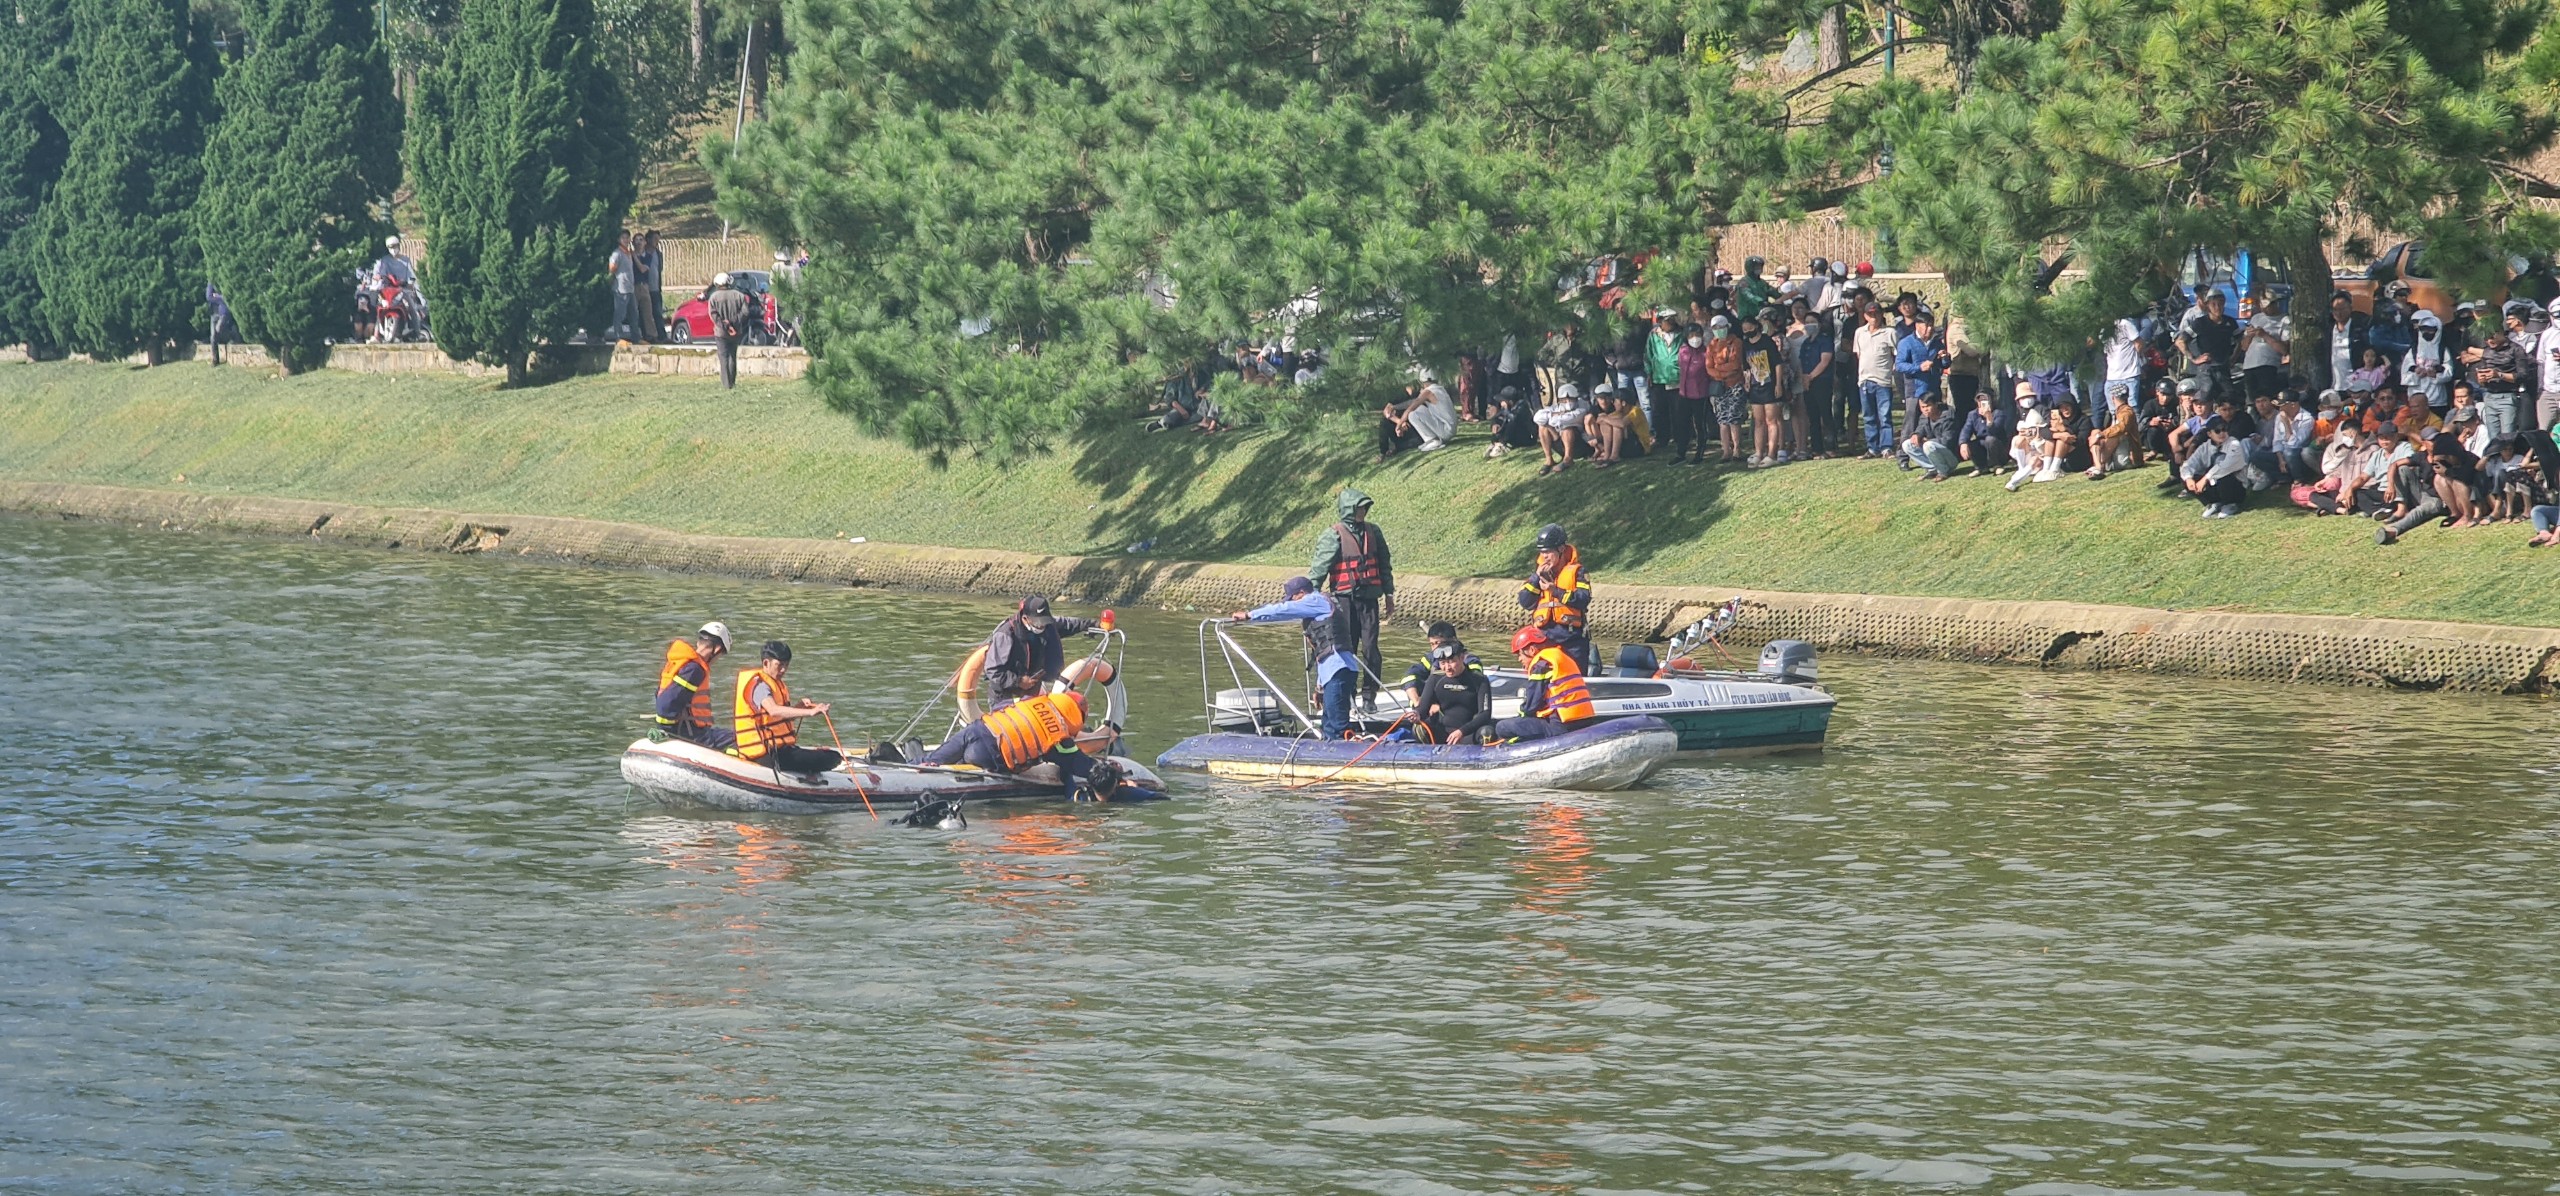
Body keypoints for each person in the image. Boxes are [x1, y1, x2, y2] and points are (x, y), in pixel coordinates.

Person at [1229, 576, 1363, 739]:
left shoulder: (1315, 600)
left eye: (1293, 598)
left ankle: (1344, 752)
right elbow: (1324, 652)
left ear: (1301, 593)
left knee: (1336, 725)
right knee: (1328, 722)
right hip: (1335, 670)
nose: (1294, 603)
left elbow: (1283, 610)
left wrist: (1250, 615)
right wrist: (1319, 687)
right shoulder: (1322, 605)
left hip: (1339, 670)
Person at [1309, 488, 1392, 710]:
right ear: (1348, 510)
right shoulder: (1333, 535)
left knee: (1371, 648)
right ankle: (1347, 695)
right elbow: (1319, 569)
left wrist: (1389, 593)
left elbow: (1384, 564)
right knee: (1346, 648)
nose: (1362, 512)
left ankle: (1369, 696)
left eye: (1364, 508)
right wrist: (1311, 600)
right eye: (1358, 508)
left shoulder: (1374, 532)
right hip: (1343, 601)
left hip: (1369, 600)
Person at [922, 687, 1100, 786]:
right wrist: (1111, 772)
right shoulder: (1060, 738)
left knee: (932, 760)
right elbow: (1083, 766)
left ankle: (917, 763)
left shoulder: (1033, 701)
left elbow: (1003, 707)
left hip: (977, 730)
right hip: (990, 756)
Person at [732, 641, 841, 777]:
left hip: (779, 749)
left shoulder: (775, 684)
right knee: (832, 757)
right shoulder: (759, 685)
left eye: (786, 665)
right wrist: (810, 712)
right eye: (780, 665)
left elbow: (779, 718)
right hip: (766, 756)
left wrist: (798, 707)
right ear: (766, 663)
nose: (783, 670)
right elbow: (773, 710)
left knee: (829, 756)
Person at [983, 595, 1100, 709]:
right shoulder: (1005, 635)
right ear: (1025, 618)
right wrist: (1018, 681)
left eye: (1045, 621)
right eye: (1038, 622)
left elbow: (1069, 624)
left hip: (1032, 689)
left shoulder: (1049, 626)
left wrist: (1094, 624)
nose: (1042, 625)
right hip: (1004, 692)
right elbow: (993, 671)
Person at [1491, 627, 1597, 743]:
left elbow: (1531, 706)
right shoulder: (1560, 656)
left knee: (1502, 727)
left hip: (1561, 727)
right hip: (1586, 720)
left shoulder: (1541, 665)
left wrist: (1520, 715)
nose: (1519, 659)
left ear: (1531, 650)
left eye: (1520, 654)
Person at [1517, 523, 1593, 668]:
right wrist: (1536, 578)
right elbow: (1525, 602)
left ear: (1561, 549)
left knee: (1574, 678)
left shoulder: (1578, 572)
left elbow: (1583, 599)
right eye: (1542, 552)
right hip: (1544, 639)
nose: (1545, 556)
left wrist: (1555, 592)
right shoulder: (1538, 575)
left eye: (1549, 551)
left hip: (1572, 639)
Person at [653, 621, 736, 749]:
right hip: (693, 736)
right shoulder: (695, 669)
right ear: (717, 649)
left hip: (679, 731)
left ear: (699, 642)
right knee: (739, 739)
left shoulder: (681, 662)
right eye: (720, 655)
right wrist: (672, 729)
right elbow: (666, 705)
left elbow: (660, 695)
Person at [1407, 642, 1496, 746]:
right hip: (1443, 734)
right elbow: (1422, 709)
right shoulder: (1435, 679)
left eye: (1451, 662)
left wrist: (1461, 732)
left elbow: (1485, 715)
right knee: (1419, 729)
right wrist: (1416, 714)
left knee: (1487, 733)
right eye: (1443, 663)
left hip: (1468, 734)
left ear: (1462, 658)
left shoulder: (1479, 680)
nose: (1447, 667)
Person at [1852, 303, 1899, 458]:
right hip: (1864, 379)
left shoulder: (1889, 332)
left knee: (1884, 416)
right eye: (1870, 314)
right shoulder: (1860, 332)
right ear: (1865, 316)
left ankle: (1886, 447)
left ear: (1881, 315)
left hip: (1883, 380)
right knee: (1868, 416)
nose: (1874, 317)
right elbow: (1859, 354)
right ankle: (1872, 448)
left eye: (1876, 314)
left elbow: (1896, 354)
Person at [2180, 416, 2250, 518]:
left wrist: (2206, 478)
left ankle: (2230, 504)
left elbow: (2226, 466)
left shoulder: (2234, 443)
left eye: (2224, 429)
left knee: (2220, 461)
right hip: (2214, 485)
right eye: (2217, 431)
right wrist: (2188, 479)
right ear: (2209, 434)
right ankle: (2214, 502)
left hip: (2235, 487)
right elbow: (2189, 464)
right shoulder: (2205, 447)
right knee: (2186, 477)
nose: (2222, 433)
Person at [2179, 289, 2238, 408]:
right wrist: (2194, 359)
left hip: (2223, 368)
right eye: (2214, 304)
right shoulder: (2200, 323)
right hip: (2206, 369)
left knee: (2229, 398)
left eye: (2220, 303)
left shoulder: (2230, 323)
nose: (2218, 307)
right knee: (2205, 398)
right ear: (2208, 306)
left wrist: (2234, 357)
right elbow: (2180, 341)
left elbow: (2241, 340)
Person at [1705, 315, 1746, 462]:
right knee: (1722, 420)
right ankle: (1725, 451)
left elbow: (1735, 364)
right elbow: (1709, 367)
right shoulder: (1711, 345)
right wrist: (1722, 373)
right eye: (1715, 328)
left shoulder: (1736, 342)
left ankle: (1737, 449)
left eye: (1720, 327)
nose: (1718, 330)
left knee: (1734, 418)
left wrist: (1718, 368)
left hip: (1735, 384)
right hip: (1719, 386)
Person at [706, 273, 752, 389]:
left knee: (723, 358)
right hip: (736, 331)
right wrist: (734, 321)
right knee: (732, 356)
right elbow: (745, 312)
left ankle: (726, 384)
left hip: (720, 333)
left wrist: (724, 325)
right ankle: (732, 381)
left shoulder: (714, 297)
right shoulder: (739, 296)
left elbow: (713, 315)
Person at [1532, 381, 1588, 473]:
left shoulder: (1582, 406)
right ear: (1560, 400)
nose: (1568, 402)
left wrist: (1552, 417)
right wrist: (1555, 414)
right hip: (1559, 440)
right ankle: (1549, 460)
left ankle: (1568, 459)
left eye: (1571, 399)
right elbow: (1537, 418)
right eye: (1564, 400)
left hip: (1578, 444)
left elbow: (1564, 419)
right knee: (1543, 427)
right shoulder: (1556, 408)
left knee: (1567, 429)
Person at [1901, 394, 1958, 480]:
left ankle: (1943, 471)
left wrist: (1928, 441)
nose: (1925, 410)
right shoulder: (1924, 416)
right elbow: (1920, 428)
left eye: (1928, 406)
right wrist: (1916, 435)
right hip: (1932, 448)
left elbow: (1948, 441)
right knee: (1907, 444)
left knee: (1928, 445)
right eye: (1922, 407)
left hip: (1951, 456)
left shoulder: (1948, 417)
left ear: (1936, 404)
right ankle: (1932, 469)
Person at [1958, 392, 2013, 478]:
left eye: (1985, 400)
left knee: (1990, 440)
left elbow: (1995, 431)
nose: (1982, 403)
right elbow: (1966, 430)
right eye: (1980, 400)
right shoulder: (1972, 415)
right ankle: (1980, 467)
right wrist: (1963, 443)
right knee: (1971, 443)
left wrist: (1988, 417)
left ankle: (1997, 465)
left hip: (1998, 447)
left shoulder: (1999, 413)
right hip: (1982, 445)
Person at [607, 232, 640, 344]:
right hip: (621, 289)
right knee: (620, 314)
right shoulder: (617, 253)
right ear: (619, 239)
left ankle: (636, 338)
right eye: (623, 238)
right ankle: (618, 337)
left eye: (627, 238)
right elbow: (611, 267)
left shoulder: (628, 253)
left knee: (634, 314)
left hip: (630, 289)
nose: (626, 240)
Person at [639, 231, 666, 342]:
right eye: (655, 239)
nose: (657, 242)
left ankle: (662, 336)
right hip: (644, 288)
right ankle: (647, 336)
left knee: (658, 313)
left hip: (655, 288)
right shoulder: (642, 253)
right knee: (645, 314)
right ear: (648, 240)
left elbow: (659, 269)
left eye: (658, 239)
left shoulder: (658, 254)